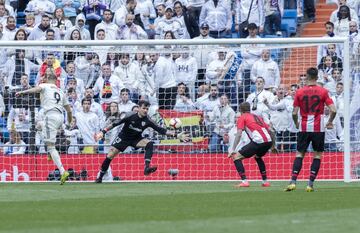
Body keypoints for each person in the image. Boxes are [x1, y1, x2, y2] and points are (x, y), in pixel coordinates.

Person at [94, 100, 190, 183]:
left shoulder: (148, 120)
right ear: (139, 108)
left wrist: (177, 135)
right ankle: (100, 177)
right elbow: (115, 123)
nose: (145, 110)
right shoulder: (129, 115)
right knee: (110, 156)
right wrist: (103, 132)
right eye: (144, 108)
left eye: (147, 109)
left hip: (136, 138)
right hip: (123, 138)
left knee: (150, 144)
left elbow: (161, 130)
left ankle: (147, 167)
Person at [15, 68, 73, 185]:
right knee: (39, 126)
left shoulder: (44, 85)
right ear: (56, 80)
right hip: (60, 117)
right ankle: (49, 152)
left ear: (46, 79)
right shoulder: (61, 91)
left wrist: (23, 92)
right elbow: (69, 111)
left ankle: (62, 171)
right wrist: (68, 124)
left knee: (51, 146)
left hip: (50, 116)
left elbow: (36, 89)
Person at [285, 67, 337, 192]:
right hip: (318, 127)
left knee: (299, 154)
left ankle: (293, 182)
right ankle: (310, 184)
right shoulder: (323, 91)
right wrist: (329, 122)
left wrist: (297, 123)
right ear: (317, 77)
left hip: (303, 126)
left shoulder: (299, 92)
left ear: (307, 77)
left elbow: (294, 113)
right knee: (318, 155)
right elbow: (334, 110)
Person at [228, 102, 276, 187]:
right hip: (268, 141)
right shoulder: (257, 117)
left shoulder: (242, 117)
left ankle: (244, 181)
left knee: (235, 157)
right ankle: (265, 182)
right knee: (258, 157)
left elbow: (239, 134)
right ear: (249, 109)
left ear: (240, 110)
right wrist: (273, 146)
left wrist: (232, 149)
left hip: (258, 141)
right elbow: (271, 131)